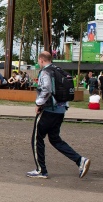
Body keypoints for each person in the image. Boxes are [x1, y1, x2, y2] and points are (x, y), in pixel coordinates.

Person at [27, 51, 91, 179]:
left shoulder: (46, 72)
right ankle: (80, 160)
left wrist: (39, 103)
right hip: (60, 110)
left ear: (41, 59)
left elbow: (46, 89)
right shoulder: (59, 70)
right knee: (55, 139)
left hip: (49, 110)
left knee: (37, 138)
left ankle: (41, 170)